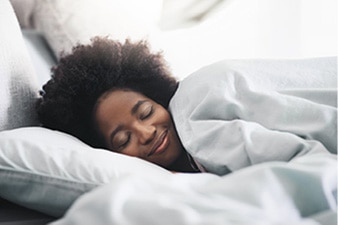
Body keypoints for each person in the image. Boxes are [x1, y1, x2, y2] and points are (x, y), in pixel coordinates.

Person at [36, 37, 337, 175]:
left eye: (145, 112)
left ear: (159, 96)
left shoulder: (194, 115)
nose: (146, 132)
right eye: (123, 139)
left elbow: (309, 165)